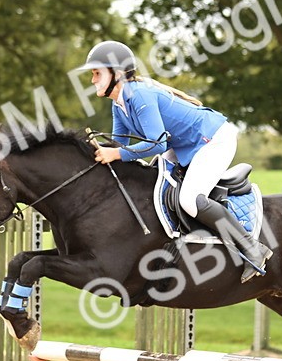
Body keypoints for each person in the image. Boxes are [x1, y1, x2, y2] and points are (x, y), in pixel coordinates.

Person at [80, 40, 271, 281]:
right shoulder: (119, 105)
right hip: (182, 143)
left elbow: (156, 144)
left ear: (116, 74)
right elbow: (121, 146)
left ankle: (253, 248)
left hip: (212, 139)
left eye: (97, 73)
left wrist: (116, 154)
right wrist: (93, 154)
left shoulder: (139, 96)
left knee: (189, 200)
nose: (92, 80)